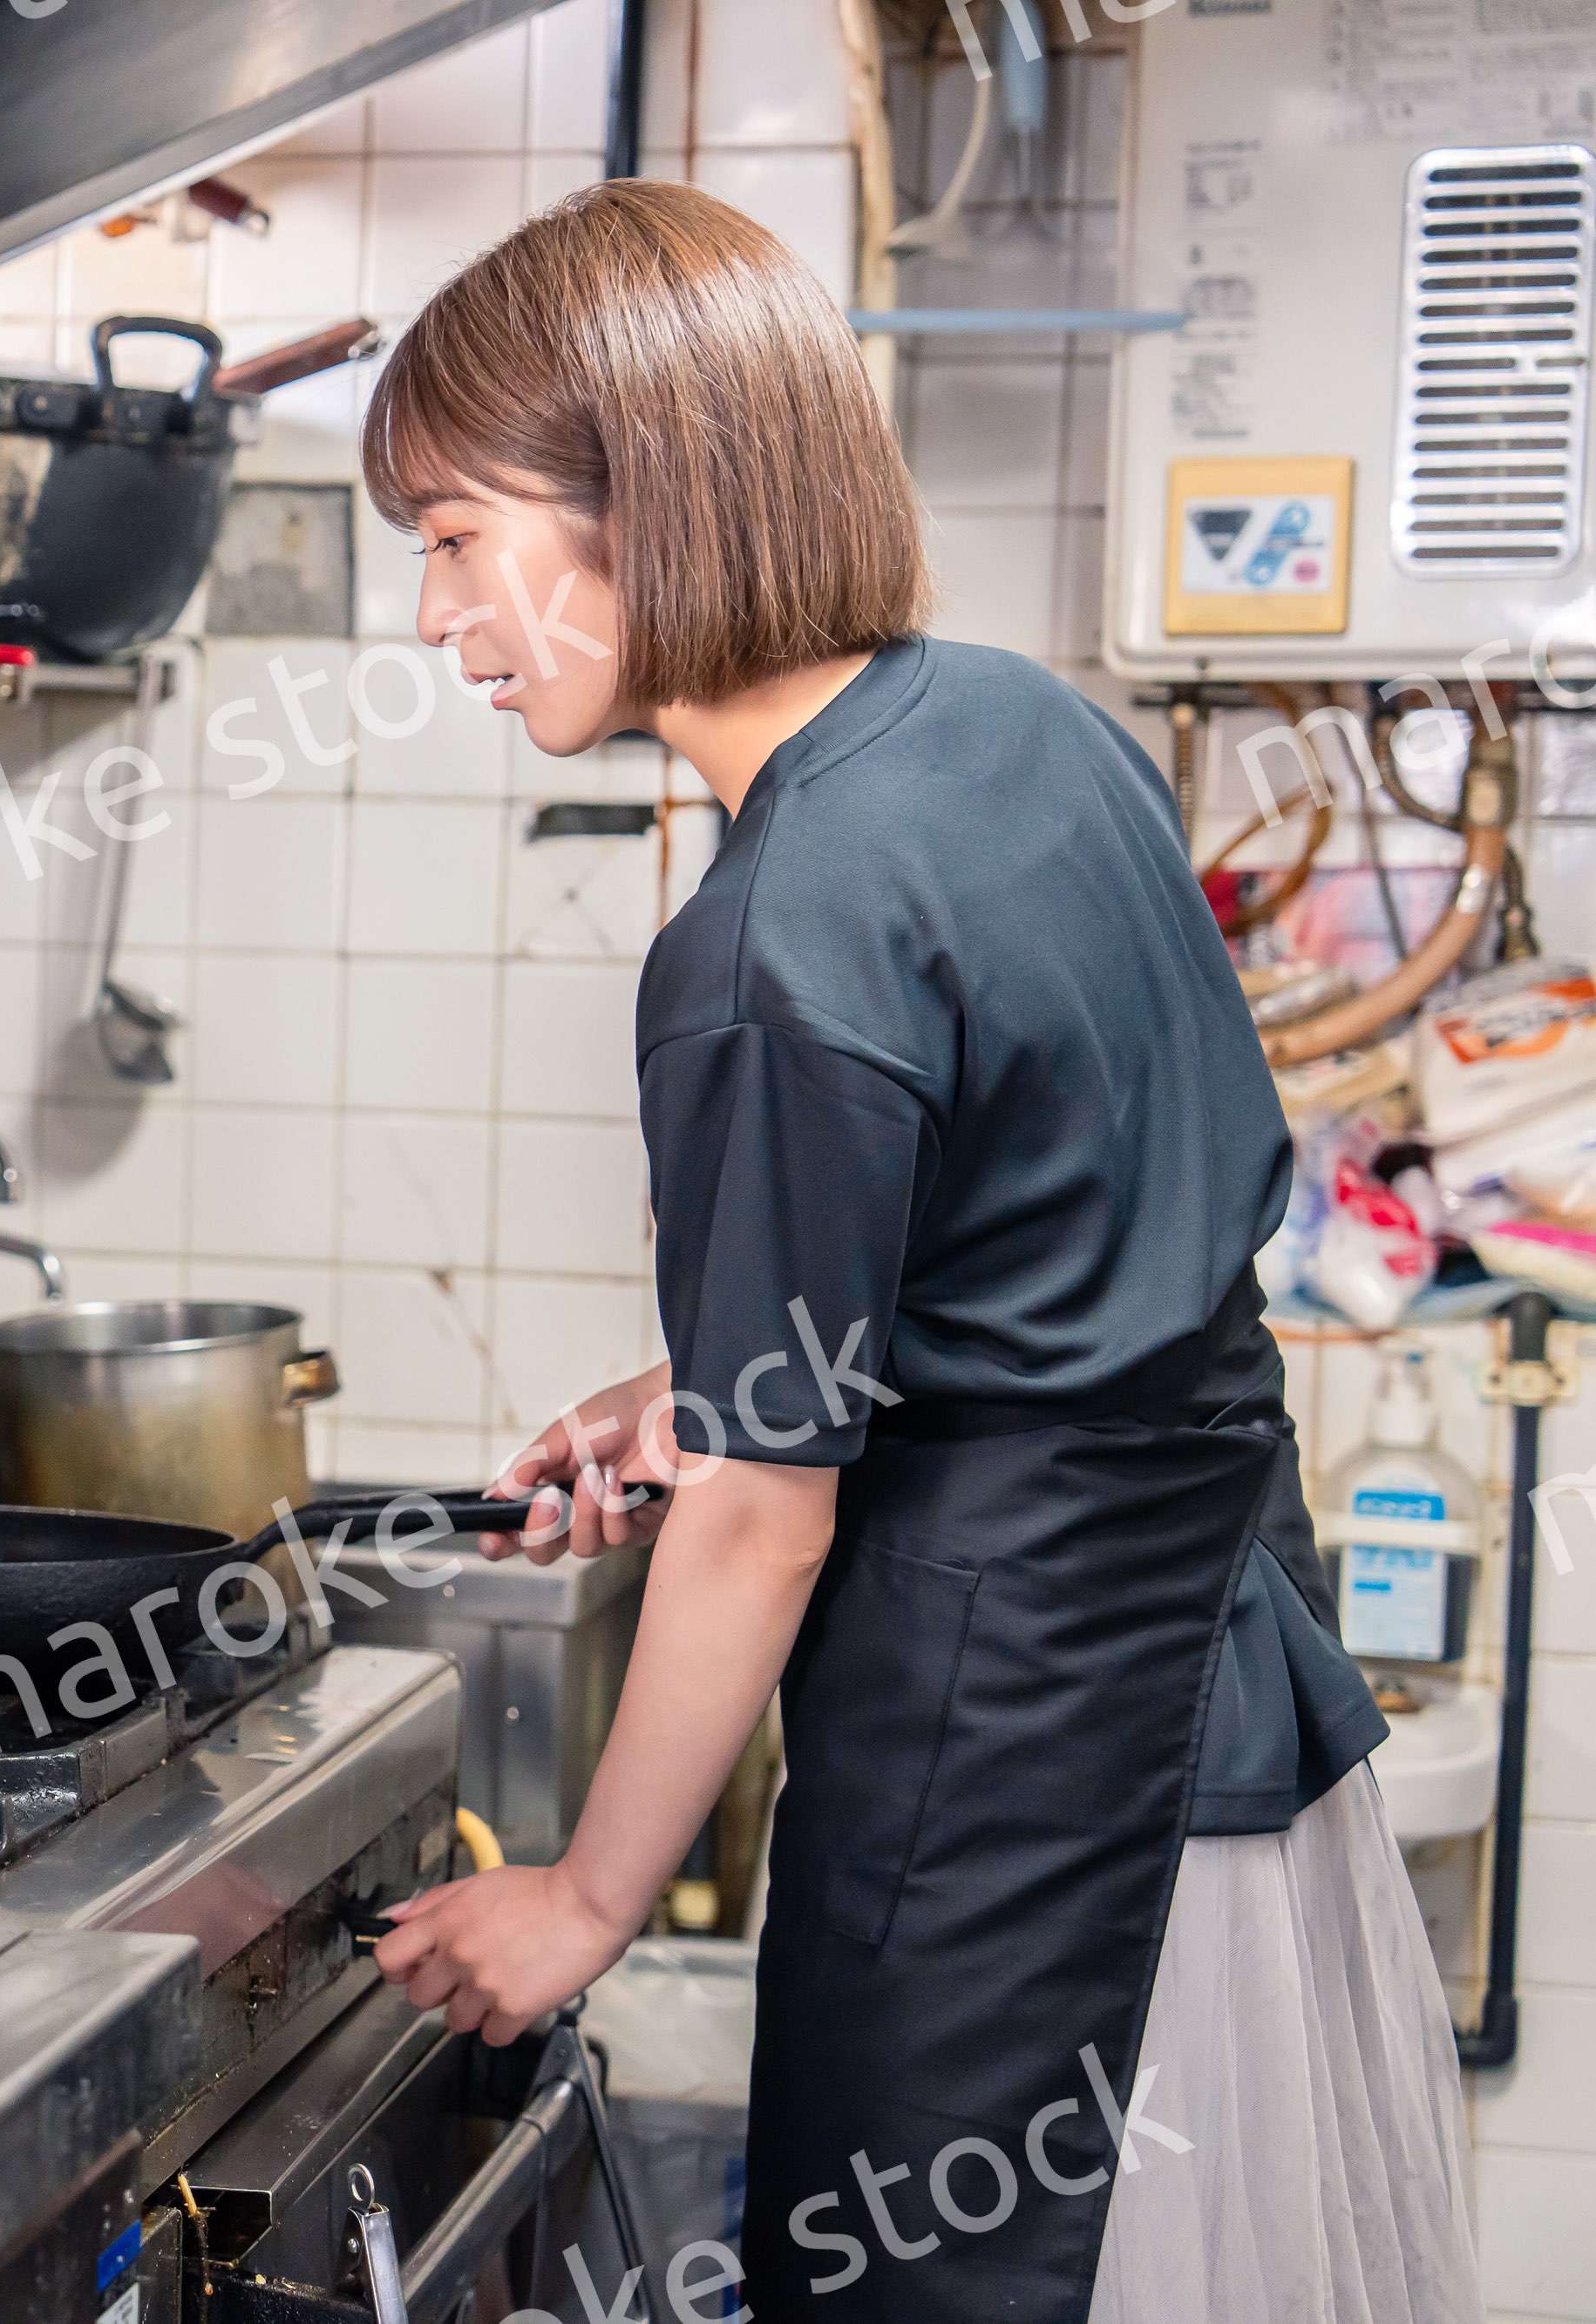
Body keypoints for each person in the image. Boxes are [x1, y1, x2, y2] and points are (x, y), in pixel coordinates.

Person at [357, 180, 1476, 2323]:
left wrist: (583, 1898)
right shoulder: (1015, 725)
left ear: (642, 504)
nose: (435, 618)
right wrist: (719, 1380)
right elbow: (1053, 1232)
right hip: (1218, 1709)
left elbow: (767, 1518)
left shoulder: (764, 938)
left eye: (451, 537)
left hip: (1014, 1776)